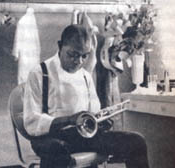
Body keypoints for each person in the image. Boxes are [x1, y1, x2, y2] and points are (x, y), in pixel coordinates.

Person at [23, 24, 150, 168]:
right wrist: (69, 119)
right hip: (49, 138)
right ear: (60, 46)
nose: (79, 61)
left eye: (84, 56)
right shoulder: (39, 73)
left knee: (136, 142)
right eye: (72, 55)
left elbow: (93, 113)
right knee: (56, 149)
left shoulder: (85, 76)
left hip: (81, 135)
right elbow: (31, 121)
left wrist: (102, 121)